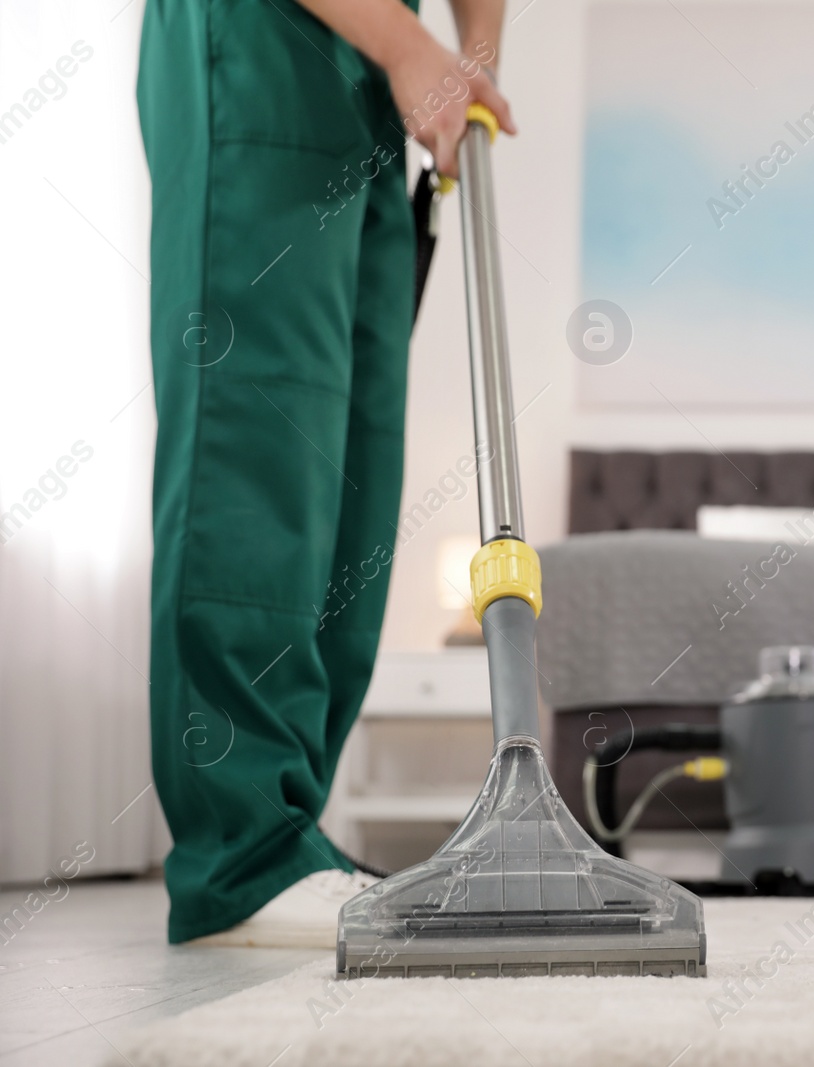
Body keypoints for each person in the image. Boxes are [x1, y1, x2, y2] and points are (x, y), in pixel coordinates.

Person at [136, 0, 516, 947]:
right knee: (258, 441)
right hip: (261, 36)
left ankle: (288, 831)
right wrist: (405, 45)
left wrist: (468, 66)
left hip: (374, 72)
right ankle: (240, 855)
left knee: (353, 465)